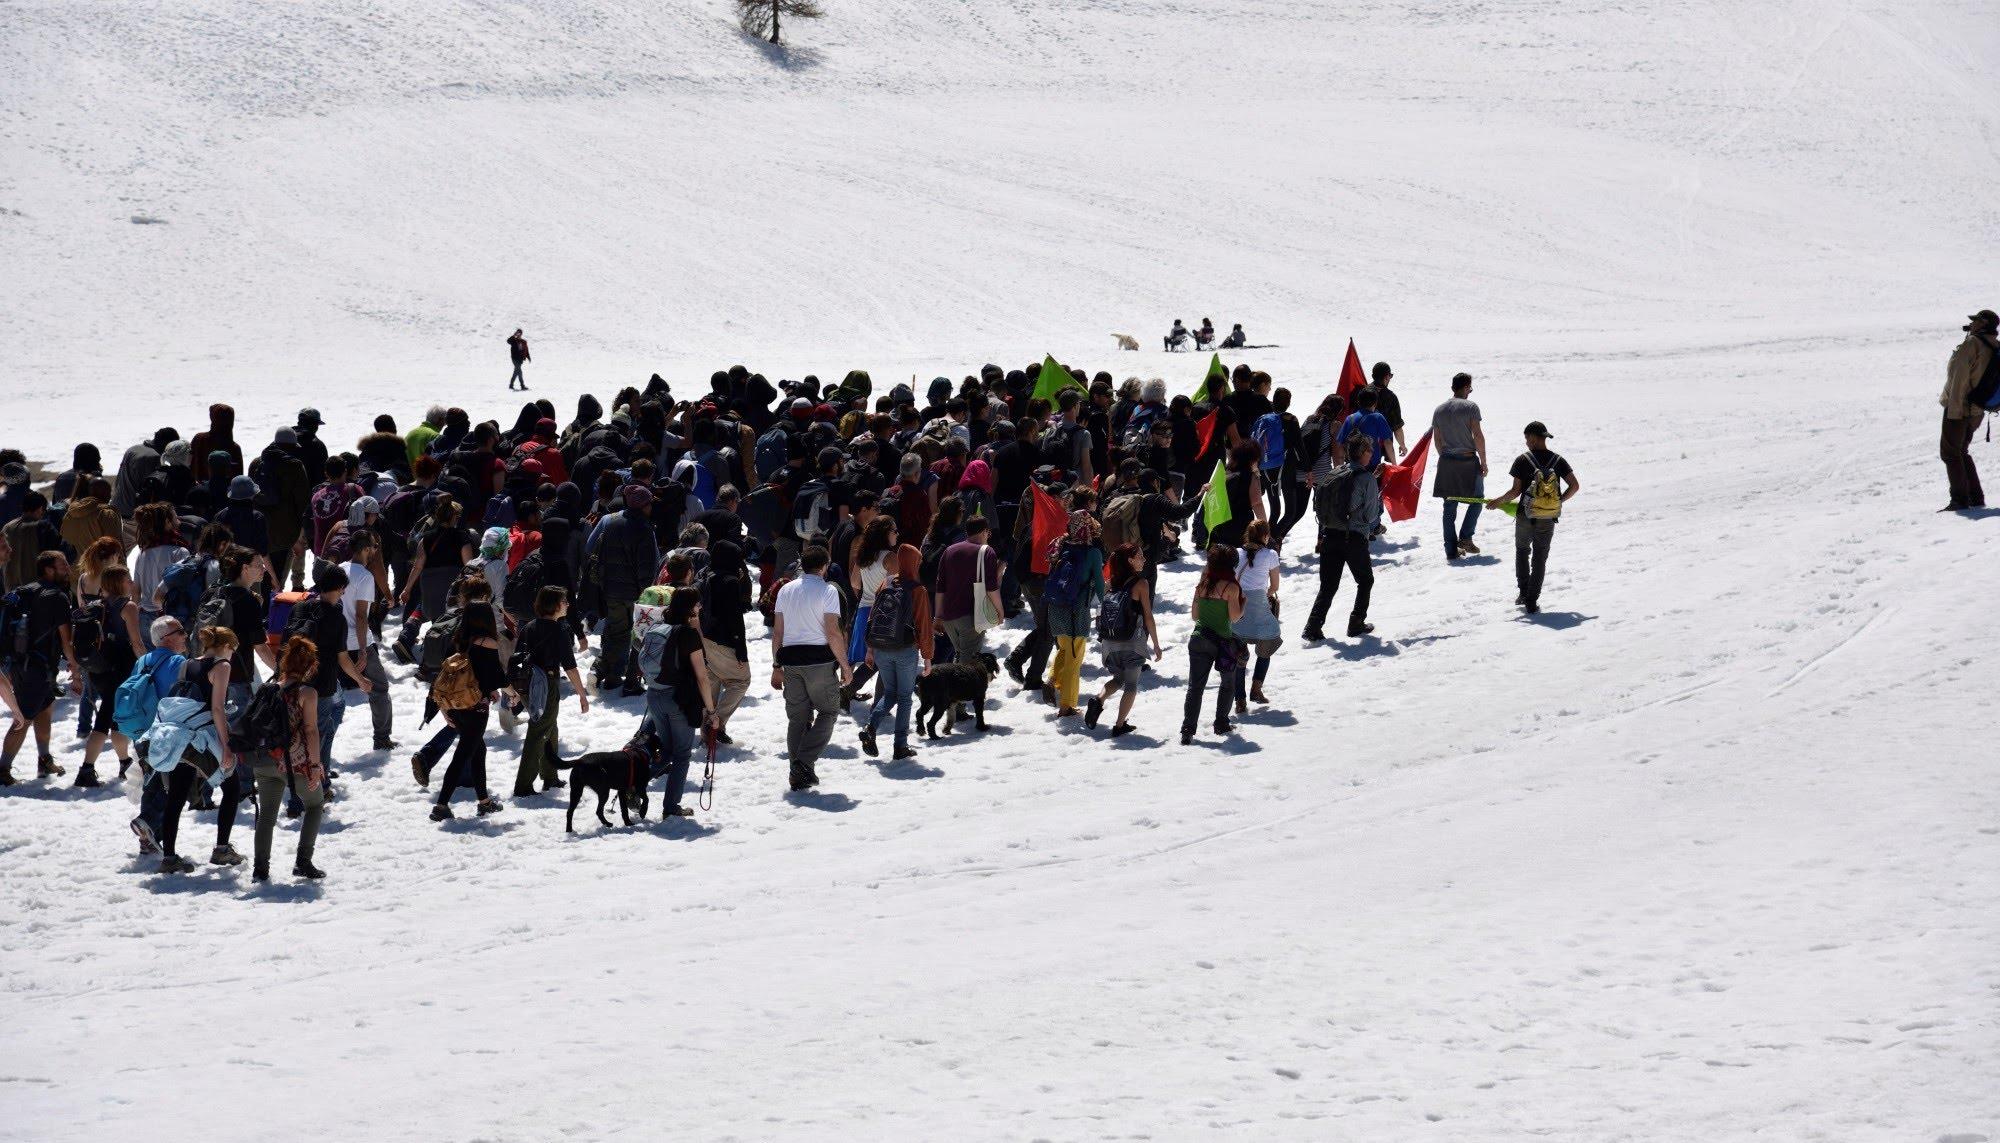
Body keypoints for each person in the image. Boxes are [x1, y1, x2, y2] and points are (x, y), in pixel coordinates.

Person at [770, 545, 850, 792]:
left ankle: (798, 772)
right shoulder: (828, 591)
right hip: (819, 662)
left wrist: (776, 665)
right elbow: (833, 632)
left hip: (791, 661)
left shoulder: (785, 590)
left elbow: (778, 633)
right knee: (829, 711)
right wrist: (846, 665)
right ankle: (803, 764)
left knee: (797, 719)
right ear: (825, 566)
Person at [0, 551, 83, 784]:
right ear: (49, 569)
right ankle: (3, 769)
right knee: (23, 717)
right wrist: (76, 672)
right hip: (37, 667)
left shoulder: (25, 590)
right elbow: (66, 641)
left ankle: (44, 759)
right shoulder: (57, 597)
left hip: (22, 663)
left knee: (45, 708)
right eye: (63, 564)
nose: (68, 568)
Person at [252, 636, 326, 881]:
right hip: (293, 763)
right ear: (310, 666)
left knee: (267, 816)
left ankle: (260, 868)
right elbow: (311, 731)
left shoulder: (268, 688)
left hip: (264, 760)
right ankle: (303, 862)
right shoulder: (307, 692)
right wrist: (315, 765)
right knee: (315, 805)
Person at [1487, 421, 1580, 614]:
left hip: (1525, 515)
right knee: (1540, 557)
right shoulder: (1558, 460)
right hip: (1547, 518)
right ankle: (1532, 600)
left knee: (1522, 551)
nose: (1526, 442)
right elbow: (1575, 486)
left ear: (1535, 438)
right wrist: (1558, 502)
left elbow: (1515, 491)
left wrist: (1498, 501)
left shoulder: (1523, 460)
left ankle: (1523, 592)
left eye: (1527, 438)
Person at [636, 587, 715, 817]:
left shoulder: (658, 627)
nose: (700, 608)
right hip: (678, 700)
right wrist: (711, 711)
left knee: (668, 750)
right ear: (691, 607)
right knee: (681, 754)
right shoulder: (687, 634)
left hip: (655, 695)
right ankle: (671, 808)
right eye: (698, 604)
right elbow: (702, 676)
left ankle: (633, 784)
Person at [430, 600, 509, 820]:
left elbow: (444, 675)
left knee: (478, 751)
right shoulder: (487, 642)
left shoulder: (459, 641)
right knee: (462, 755)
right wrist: (508, 690)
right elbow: (495, 676)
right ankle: (441, 805)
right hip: (476, 709)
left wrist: (444, 707)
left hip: (457, 706)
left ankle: (484, 802)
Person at [858, 543, 933, 761]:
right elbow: (924, 626)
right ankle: (900, 746)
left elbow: (873, 617)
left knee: (890, 693)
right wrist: (928, 657)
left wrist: (870, 649)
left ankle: (871, 727)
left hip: (881, 647)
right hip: (905, 650)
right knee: (905, 698)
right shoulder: (917, 589)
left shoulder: (886, 582)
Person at [1303, 436, 1381, 640]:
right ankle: (1356, 622)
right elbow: (1370, 517)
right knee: (1365, 580)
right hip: (1353, 538)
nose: (1372, 453)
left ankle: (1312, 626)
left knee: (1328, 585)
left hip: (1329, 535)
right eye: (1369, 450)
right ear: (1362, 453)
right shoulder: (1367, 479)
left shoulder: (1335, 472)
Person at [514, 585, 589, 797]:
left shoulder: (529, 626)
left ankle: (550, 776)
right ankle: (523, 785)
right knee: (538, 732)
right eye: (565, 601)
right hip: (546, 684)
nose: (568, 605)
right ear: (556, 605)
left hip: (528, 684)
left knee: (549, 727)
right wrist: (581, 694)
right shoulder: (559, 630)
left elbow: (517, 659)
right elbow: (570, 666)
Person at [586, 485, 659, 695]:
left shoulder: (611, 521)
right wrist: (647, 593)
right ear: (644, 506)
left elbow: (590, 548)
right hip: (636, 593)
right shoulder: (644, 528)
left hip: (610, 588)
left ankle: (609, 674)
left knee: (615, 632)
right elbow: (647, 566)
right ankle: (629, 680)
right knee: (638, 635)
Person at [76, 566, 145, 786]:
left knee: (116, 718)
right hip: (121, 668)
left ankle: (124, 762)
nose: (131, 583)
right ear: (119, 583)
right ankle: (86, 770)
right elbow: (136, 642)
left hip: (99, 668)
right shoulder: (128, 606)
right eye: (128, 580)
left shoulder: (96, 605)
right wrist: (147, 664)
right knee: (105, 720)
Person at [1085, 543, 1160, 736]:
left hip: (1109, 644)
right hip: (1132, 643)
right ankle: (1119, 725)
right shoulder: (1141, 584)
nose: (1143, 560)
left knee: (1118, 679)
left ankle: (1098, 699)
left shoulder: (1110, 584)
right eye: (1140, 557)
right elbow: (1148, 616)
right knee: (1131, 685)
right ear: (1130, 561)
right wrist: (1156, 644)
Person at [1045, 498, 1106, 718]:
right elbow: (1100, 586)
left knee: (1064, 649)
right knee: (1074, 659)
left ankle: (1052, 679)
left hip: (1055, 608)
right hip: (1076, 611)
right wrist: (1108, 605)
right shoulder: (1093, 554)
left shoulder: (1059, 544)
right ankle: (1067, 706)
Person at [396, 496, 475, 659]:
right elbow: (469, 566)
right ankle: (439, 655)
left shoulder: (426, 539)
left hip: (429, 587)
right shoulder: (462, 537)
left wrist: (407, 589)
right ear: (454, 517)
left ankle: (415, 642)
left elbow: (418, 566)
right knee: (450, 622)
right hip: (451, 587)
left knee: (430, 611)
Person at [1182, 545, 1245, 745]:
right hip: (1222, 642)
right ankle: (1221, 723)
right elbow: (1234, 618)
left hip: (1199, 638)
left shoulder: (1202, 585)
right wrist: (1243, 604)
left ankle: (1187, 729)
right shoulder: (1231, 588)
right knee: (1227, 682)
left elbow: (1195, 616)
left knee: (1195, 687)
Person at [342, 528, 394, 749]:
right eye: (373, 546)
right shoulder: (364, 576)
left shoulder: (338, 569)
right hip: (359, 642)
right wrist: (363, 649)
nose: (375, 550)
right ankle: (381, 739)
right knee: (380, 689)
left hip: (337, 642)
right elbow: (362, 615)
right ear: (364, 549)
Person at [1941, 309, 1997, 510]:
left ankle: (1960, 500)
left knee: (1950, 453)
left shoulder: (1972, 344)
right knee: (1961, 451)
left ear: (1983, 324)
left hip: (1960, 407)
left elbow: (1960, 380)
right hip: (1977, 409)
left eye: (1975, 320)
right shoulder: (1993, 345)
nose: (1972, 323)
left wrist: (1954, 410)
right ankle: (1975, 497)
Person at [1431, 372, 1489, 561]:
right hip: (1467, 460)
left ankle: (1451, 550)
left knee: (1449, 506)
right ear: (1466, 387)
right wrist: (1483, 461)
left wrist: (1445, 457)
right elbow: (1478, 436)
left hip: (1447, 461)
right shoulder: (1471, 407)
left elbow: (1437, 439)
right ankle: (1465, 537)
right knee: (1477, 499)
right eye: (1470, 388)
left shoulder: (1439, 410)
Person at [933, 516, 1002, 666]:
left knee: (960, 656)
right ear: (985, 532)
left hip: (948, 617)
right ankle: (962, 689)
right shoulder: (986, 551)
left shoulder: (949, 550)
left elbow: (940, 587)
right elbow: (991, 587)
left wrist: (938, 616)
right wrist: (999, 610)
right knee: (968, 664)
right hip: (971, 615)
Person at [1232, 521, 1283, 709]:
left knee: (1238, 654)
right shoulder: (1270, 555)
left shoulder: (1236, 553)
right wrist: (1264, 594)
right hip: (1259, 608)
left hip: (1239, 608)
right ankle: (1256, 688)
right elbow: (1275, 587)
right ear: (1265, 536)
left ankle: (1240, 700)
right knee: (1268, 643)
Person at [1364, 362, 1407, 458]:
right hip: (1381, 444)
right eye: (1390, 376)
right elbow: (1397, 426)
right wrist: (1402, 445)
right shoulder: (1390, 397)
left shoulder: (1362, 392)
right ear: (1387, 377)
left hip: (1360, 445)